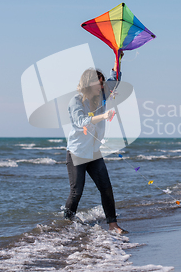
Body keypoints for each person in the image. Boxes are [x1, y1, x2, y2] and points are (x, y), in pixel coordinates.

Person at [64, 60, 127, 234]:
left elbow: (114, 80)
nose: (101, 86)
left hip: (93, 152)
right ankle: (66, 225)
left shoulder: (102, 96)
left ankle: (113, 225)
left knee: (106, 188)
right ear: (88, 83)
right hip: (77, 152)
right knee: (76, 192)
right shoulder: (75, 101)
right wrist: (103, 116)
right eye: (98, 83)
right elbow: (80, 122)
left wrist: (118, 58)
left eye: (102, 83)